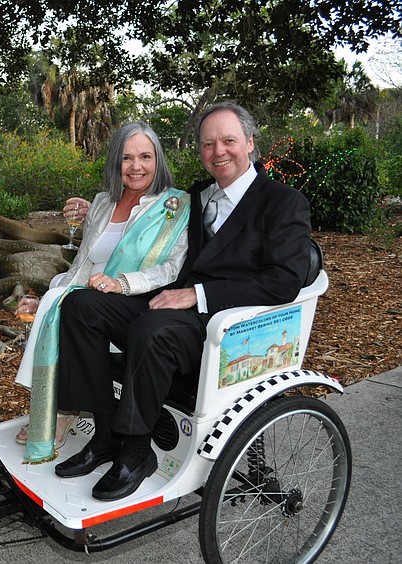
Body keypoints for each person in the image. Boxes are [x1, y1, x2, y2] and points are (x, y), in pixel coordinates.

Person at [53, 101, 312, 501]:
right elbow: (146, 226)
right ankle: (103, 435)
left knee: (151, 329)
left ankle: (137, 452)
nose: (218, 151)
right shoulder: (197, 197)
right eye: (208, 144)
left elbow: (285, 281)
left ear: (250, 143)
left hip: (228, 328)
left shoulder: (282, 202)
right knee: (81, 306)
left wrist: (198, 294)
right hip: (175, 311)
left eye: (228, 141)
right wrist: (96, 214)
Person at [14, 121, 191, 464]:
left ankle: (60, 410)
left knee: (70, 305)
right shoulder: (100, 203)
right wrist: (52, 293)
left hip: (132, 306)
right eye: (127, 158)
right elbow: (82, 263)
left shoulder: (176, 206)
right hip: (85, 295)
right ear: (115, 162)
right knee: (57, 299)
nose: (136, 166)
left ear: (159, 159)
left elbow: (169, 269)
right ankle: (58, 408)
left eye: (145, 156)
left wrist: (122, 283)